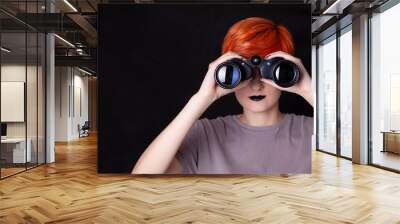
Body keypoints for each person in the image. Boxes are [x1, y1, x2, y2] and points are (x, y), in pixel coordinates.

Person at [131, 17, 314, 174]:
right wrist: (202, 97)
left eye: (267, 73)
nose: (256, 85)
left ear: (288, 72)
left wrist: (308, 89)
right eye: (247, 73)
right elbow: (140, 181)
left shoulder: (313, 131)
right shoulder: (205, 134)